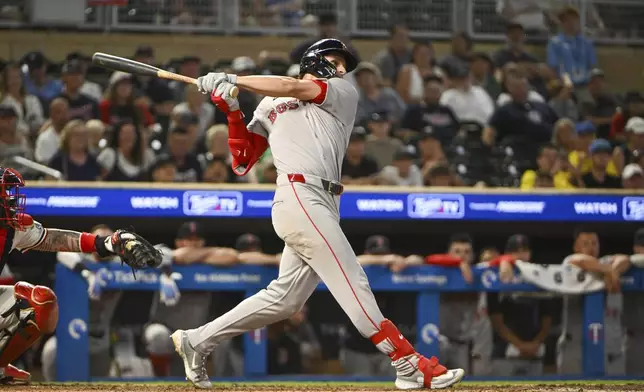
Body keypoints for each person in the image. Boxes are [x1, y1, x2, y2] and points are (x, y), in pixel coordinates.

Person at [173, 38, 465, 389]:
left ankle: (196, 341)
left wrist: (233, 79)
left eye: (344, 64)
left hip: (324, 199)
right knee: (351, 278)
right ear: (314, 58)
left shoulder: (341, 92)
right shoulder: (270, 104)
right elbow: (243, 160)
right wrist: (233, 111)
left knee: (284, 299)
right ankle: (406, 363)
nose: (341, 68)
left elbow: (292, 85)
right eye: (335, 60)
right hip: (297, 194)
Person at [0, 166, 160, 384]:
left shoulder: (11, 228)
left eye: (7, 194)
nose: (9, 201)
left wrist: (104, 243)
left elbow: (52, 239)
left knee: (40, 303)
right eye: (3, 194)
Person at [143, 222, 238, 377]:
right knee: (158, 336)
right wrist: (191, 255)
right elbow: (169, 255)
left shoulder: (211, 260)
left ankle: (220, 385)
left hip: (195, 333)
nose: (193, 243)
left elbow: (232, 256)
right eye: (187, 239)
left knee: (222, 339)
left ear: (203, 243)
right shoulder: (164, 254)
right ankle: (158, 380)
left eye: (197, 240)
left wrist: (199, 254)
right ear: (178, 242)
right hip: (165, 329)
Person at [41, 224, 124, 381]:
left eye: (110, 241)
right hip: (72, 334)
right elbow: (62, 253)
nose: (106, 245)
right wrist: (87, 273)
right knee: (51, 350)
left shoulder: (121, 266)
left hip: (100, 338)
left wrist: (165, 275)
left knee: (101, 380)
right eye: (101, 241)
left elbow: (152, 261)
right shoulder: (81, 261)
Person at [557, 227, 625, 375]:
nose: (591, 247)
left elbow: (624, 259)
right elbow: (578, 260)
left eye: (594, 243)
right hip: (574, 346)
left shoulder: (605, 263)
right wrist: (608, 270)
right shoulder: (570, 263)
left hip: (608, 347)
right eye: (585, 243)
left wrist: (614, 270)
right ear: (576, 247)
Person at [487, 235, 555, 377]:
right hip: (504, 352)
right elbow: (496, 321)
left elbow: (547, 319)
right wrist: (520, 345)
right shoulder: (497, 276)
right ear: (507, 254)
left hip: (534, 352)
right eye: (515, 251)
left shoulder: (539, 278)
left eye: (524, 250)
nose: (520, 255)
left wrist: (534, 344)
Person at [547, 6, 597, 92]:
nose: (572, 23)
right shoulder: (555, 43)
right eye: (568, 20)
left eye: (575, 19)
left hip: (585, 84)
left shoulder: (587, 43)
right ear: (561, 23)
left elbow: (592, 66)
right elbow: (552, 68)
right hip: (565, 85)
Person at [400, 75, 459, 147]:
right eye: (430, 91)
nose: (433, 95)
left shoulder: (446, 110)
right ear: (424, 91)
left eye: (436, 91)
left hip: (448, 147)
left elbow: (457, 130)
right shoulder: (414, 111)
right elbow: (402, 132)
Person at [353, 62, 406, 126]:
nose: (366, 79)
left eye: (369, 75)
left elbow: (403, 112)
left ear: (377, 77)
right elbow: (357, 121)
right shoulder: (358, 101)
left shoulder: (390, 94)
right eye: (362, 76)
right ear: (358, 81)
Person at [0, 62, 44, 136]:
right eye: (11, 78)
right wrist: (30, 131)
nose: (15, 81)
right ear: (6, 81)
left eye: (17, 77)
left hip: (38, 136)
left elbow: (39, 120)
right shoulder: (4, 104)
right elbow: (16, 127)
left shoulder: (32, 99)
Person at [34, 98, 70, 164]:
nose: (63, 116)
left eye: (65, 111)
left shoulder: (74, 135)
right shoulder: (44, 138)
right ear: (51, 115)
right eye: (59, 112)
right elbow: (44, 164)